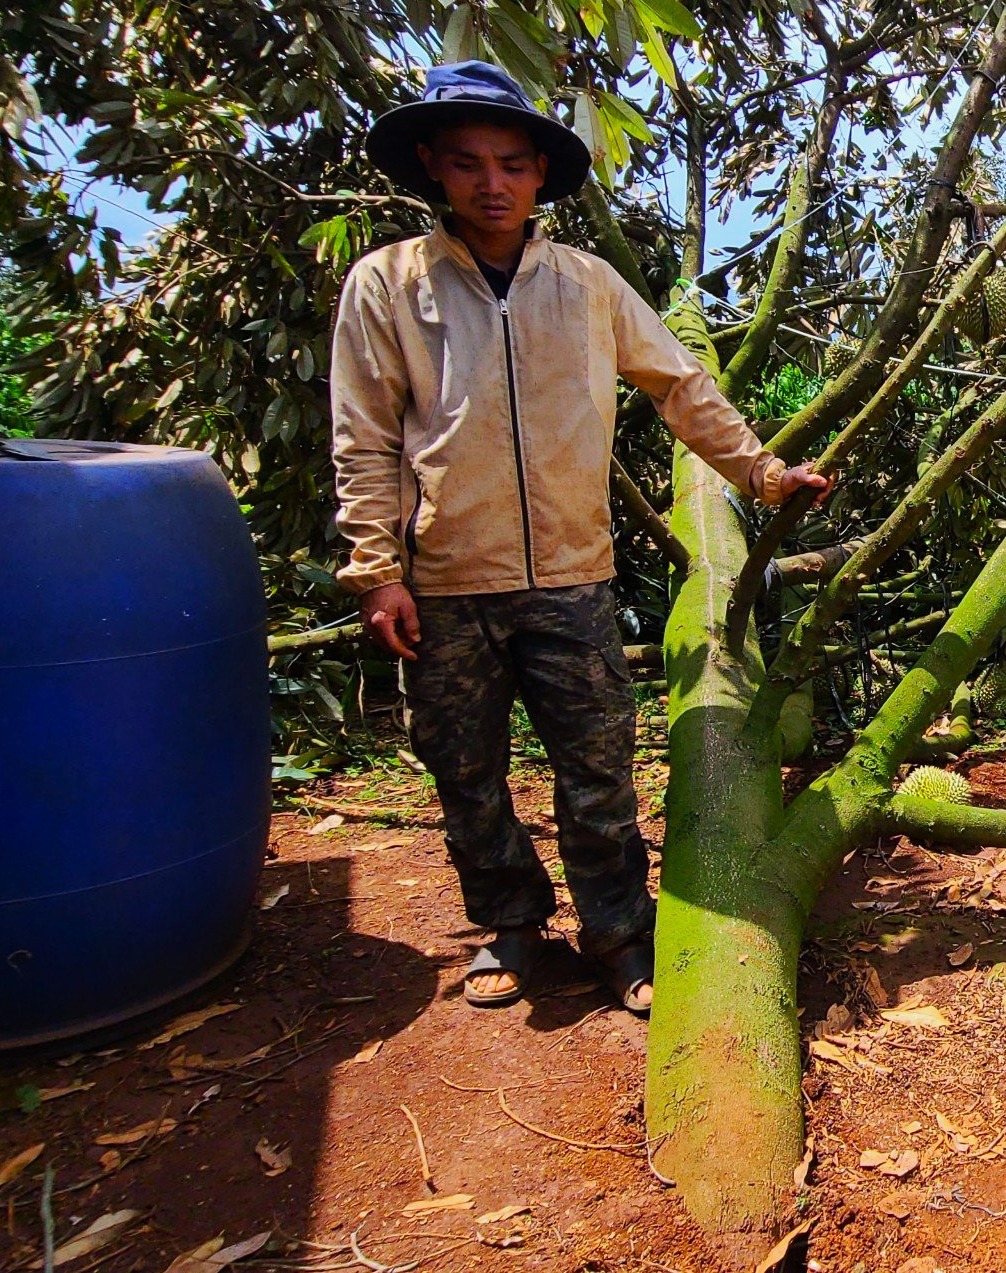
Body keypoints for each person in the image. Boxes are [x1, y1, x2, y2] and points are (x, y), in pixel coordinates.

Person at [329, 61, 829, 1015]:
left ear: (538, 175)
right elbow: (364, 437)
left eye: (513, 164)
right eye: (470, 163)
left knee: (596, 769)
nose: (492, 183)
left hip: (570, 576)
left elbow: (679, 385)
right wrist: (377, 571)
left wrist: (763, 473)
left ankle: (617, 934)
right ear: (434, 165)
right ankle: (511, 927)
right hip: (442, 582)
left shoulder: (588, 285)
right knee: (467, 772)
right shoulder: (388, 286)